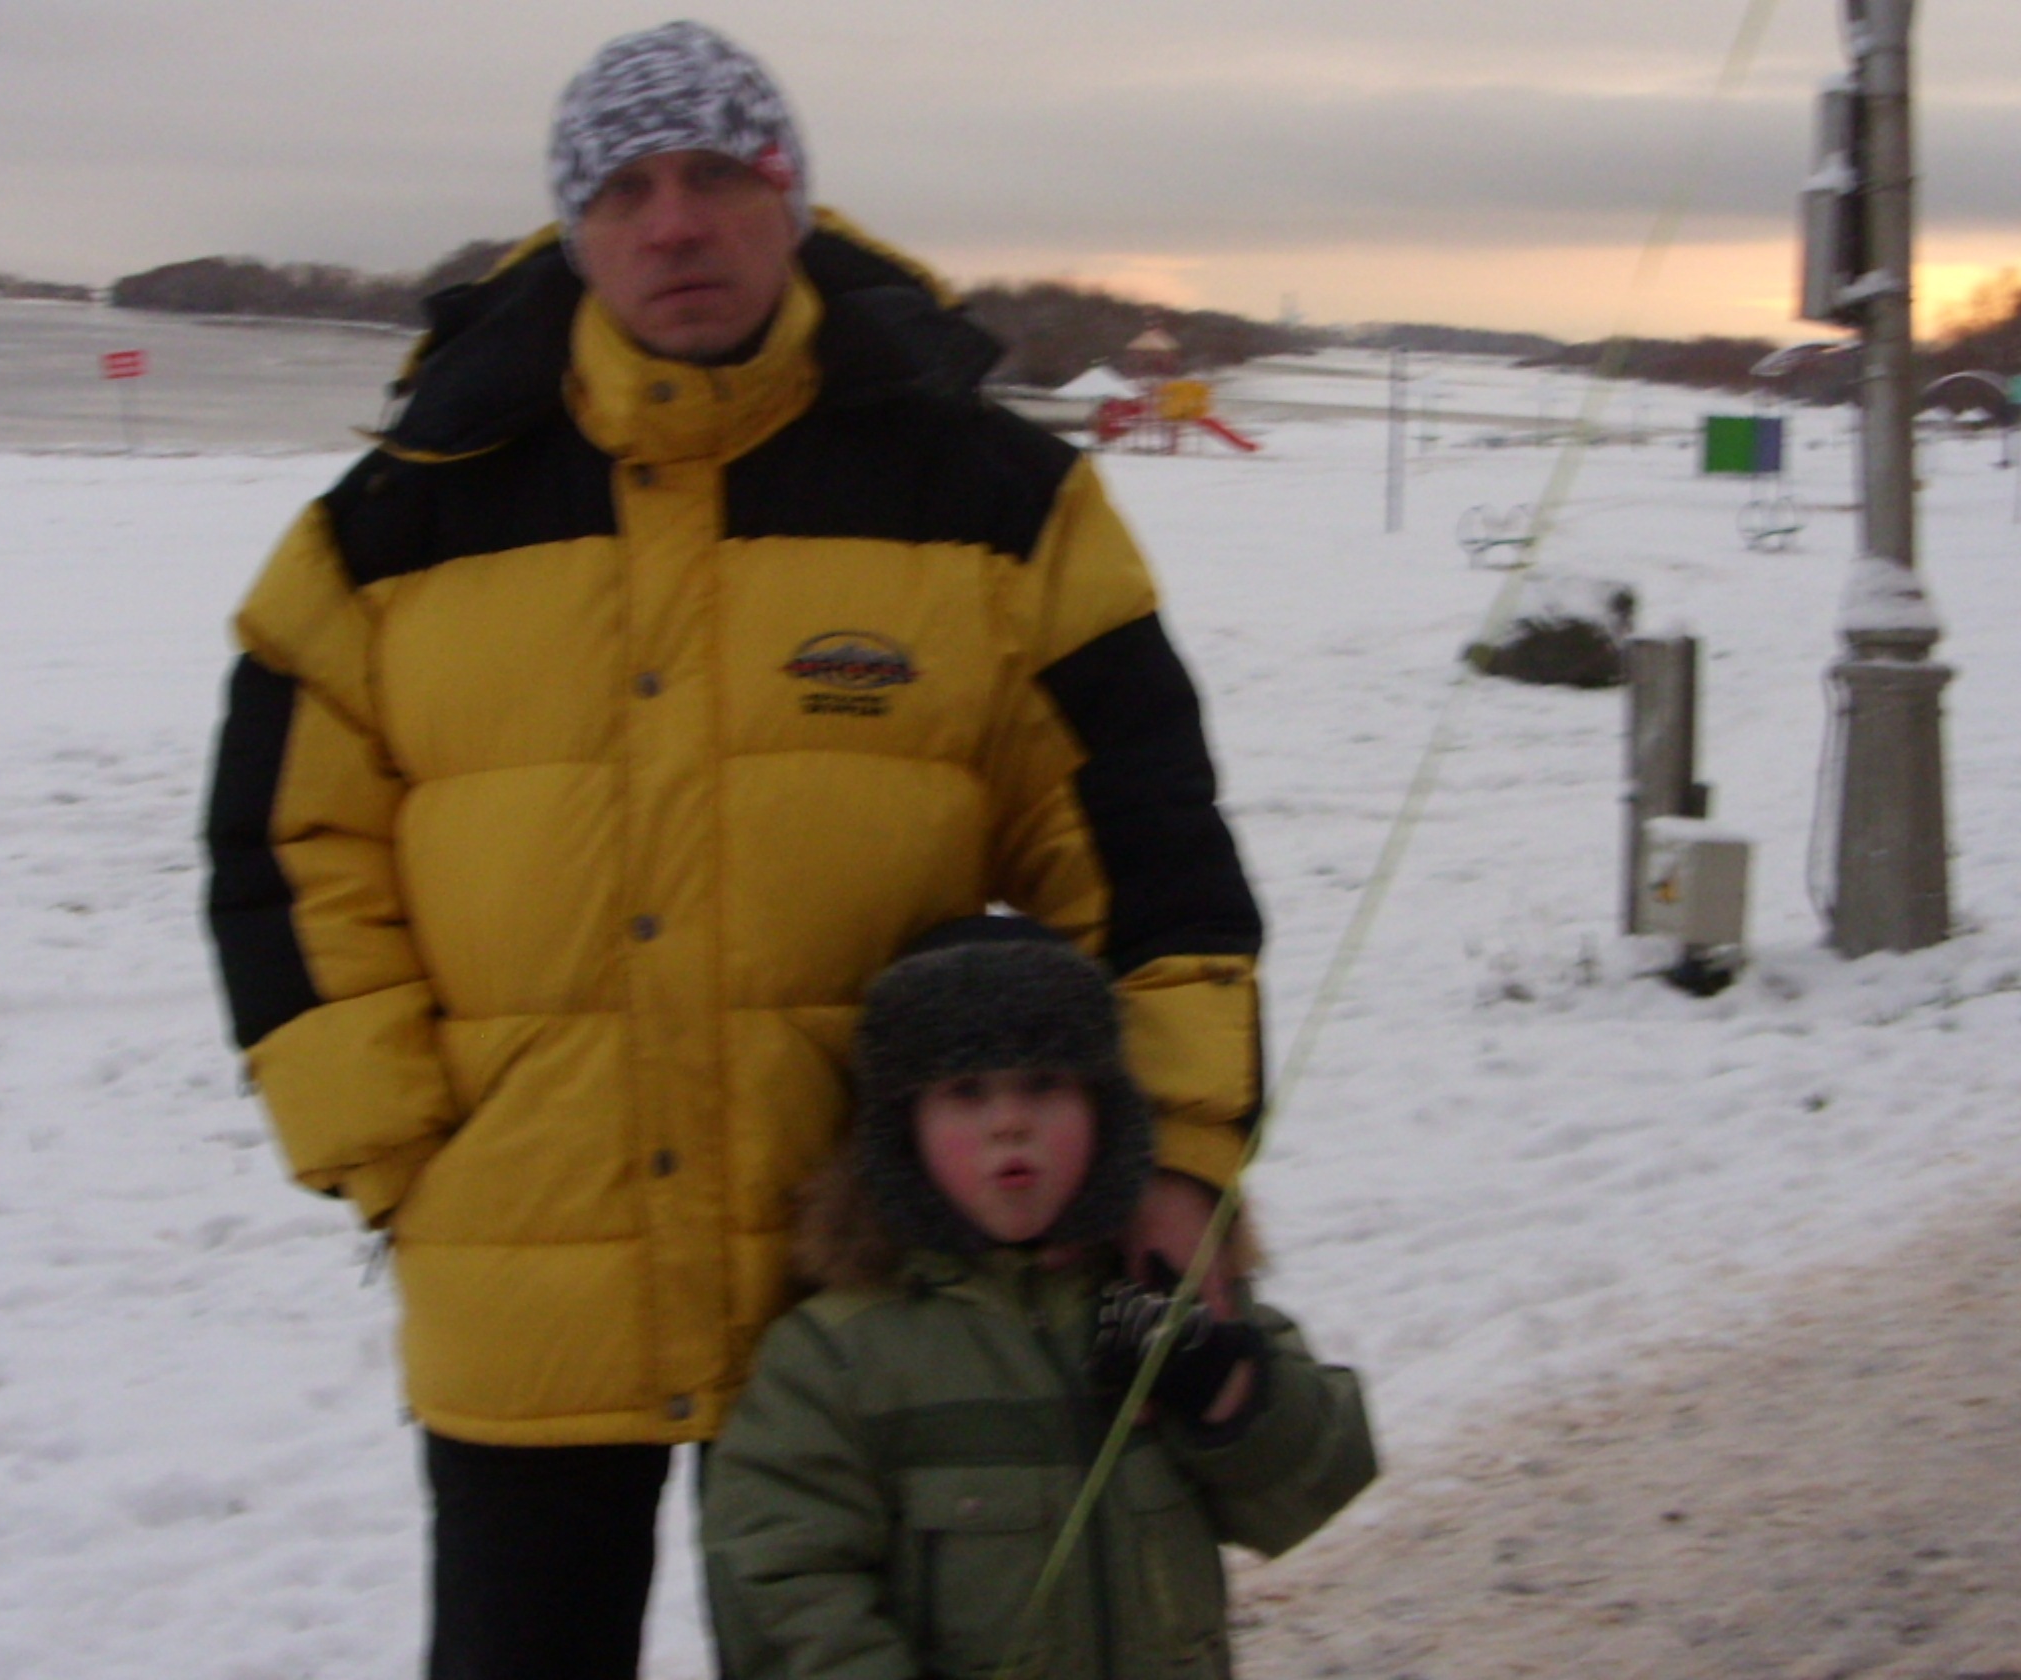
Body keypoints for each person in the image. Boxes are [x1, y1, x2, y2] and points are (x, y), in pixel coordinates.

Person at [201, 19, 1263, 1680]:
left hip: (877, 1281)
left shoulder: (994, 499)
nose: (676, 222)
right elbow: (283, 853)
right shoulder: (397, 520)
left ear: (793, 201)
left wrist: (1172, 1157)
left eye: (717, 175)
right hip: (526, 1275)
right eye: (625, 190)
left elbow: (1143, 850)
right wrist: (407, 1153)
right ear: (573, 227)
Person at [703, 916, 1375, 1680]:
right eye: (966, 1091)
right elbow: (781, 1582)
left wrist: (1230, 1396)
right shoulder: (839, 1356)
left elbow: (1322, 1475)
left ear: (1105, 1107)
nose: (1010, 1122)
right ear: (902, 1128)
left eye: (1045, 1083)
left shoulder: (1155, 1292)